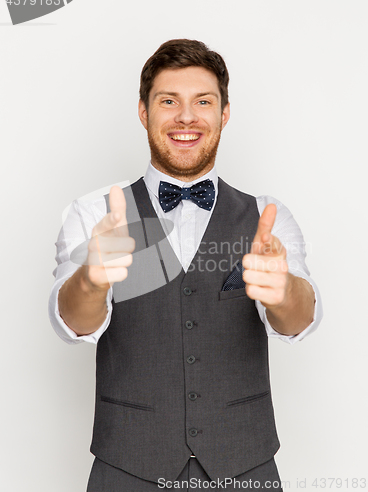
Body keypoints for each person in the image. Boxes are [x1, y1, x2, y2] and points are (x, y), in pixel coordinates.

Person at [49, 39, 322, 491]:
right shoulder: (95, 214)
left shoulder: (267, 216)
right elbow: (74, 323)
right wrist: (91, 281)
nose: (187, 116)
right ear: (143, 111)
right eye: (168, 101)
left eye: (203, 101)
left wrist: (284, 291)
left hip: (245, 464)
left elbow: (300, 319)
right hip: (127, 466)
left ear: (224, 113)